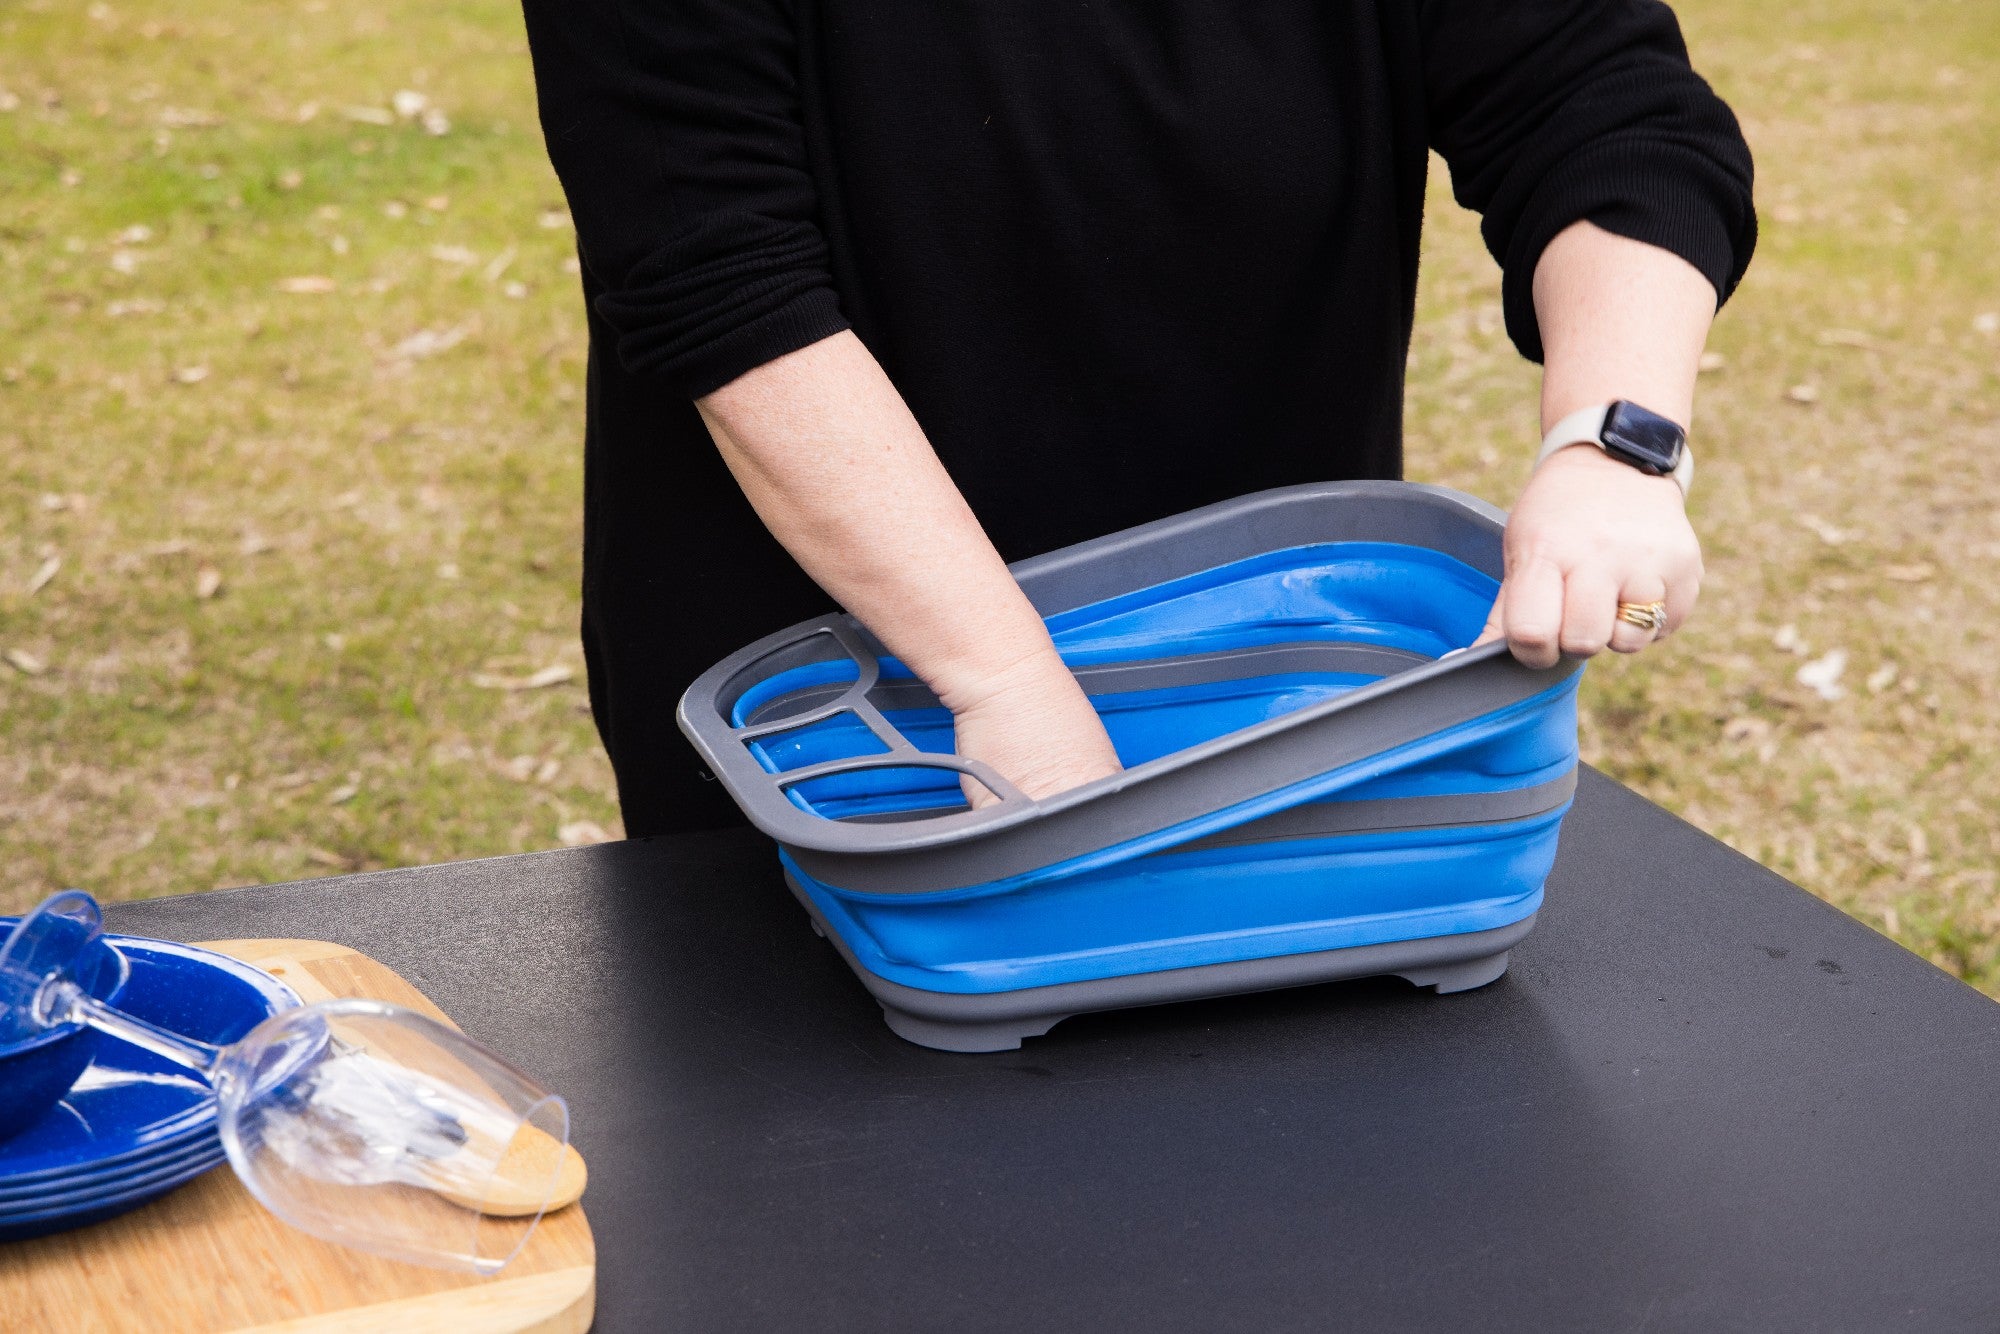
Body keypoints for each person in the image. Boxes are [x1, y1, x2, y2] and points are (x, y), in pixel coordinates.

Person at [519, 0, 1755, 836]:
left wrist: (1615, 441)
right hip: (828, 700)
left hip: (1265, 674)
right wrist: (1001, 677)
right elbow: (715, 269)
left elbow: (1602, 107)